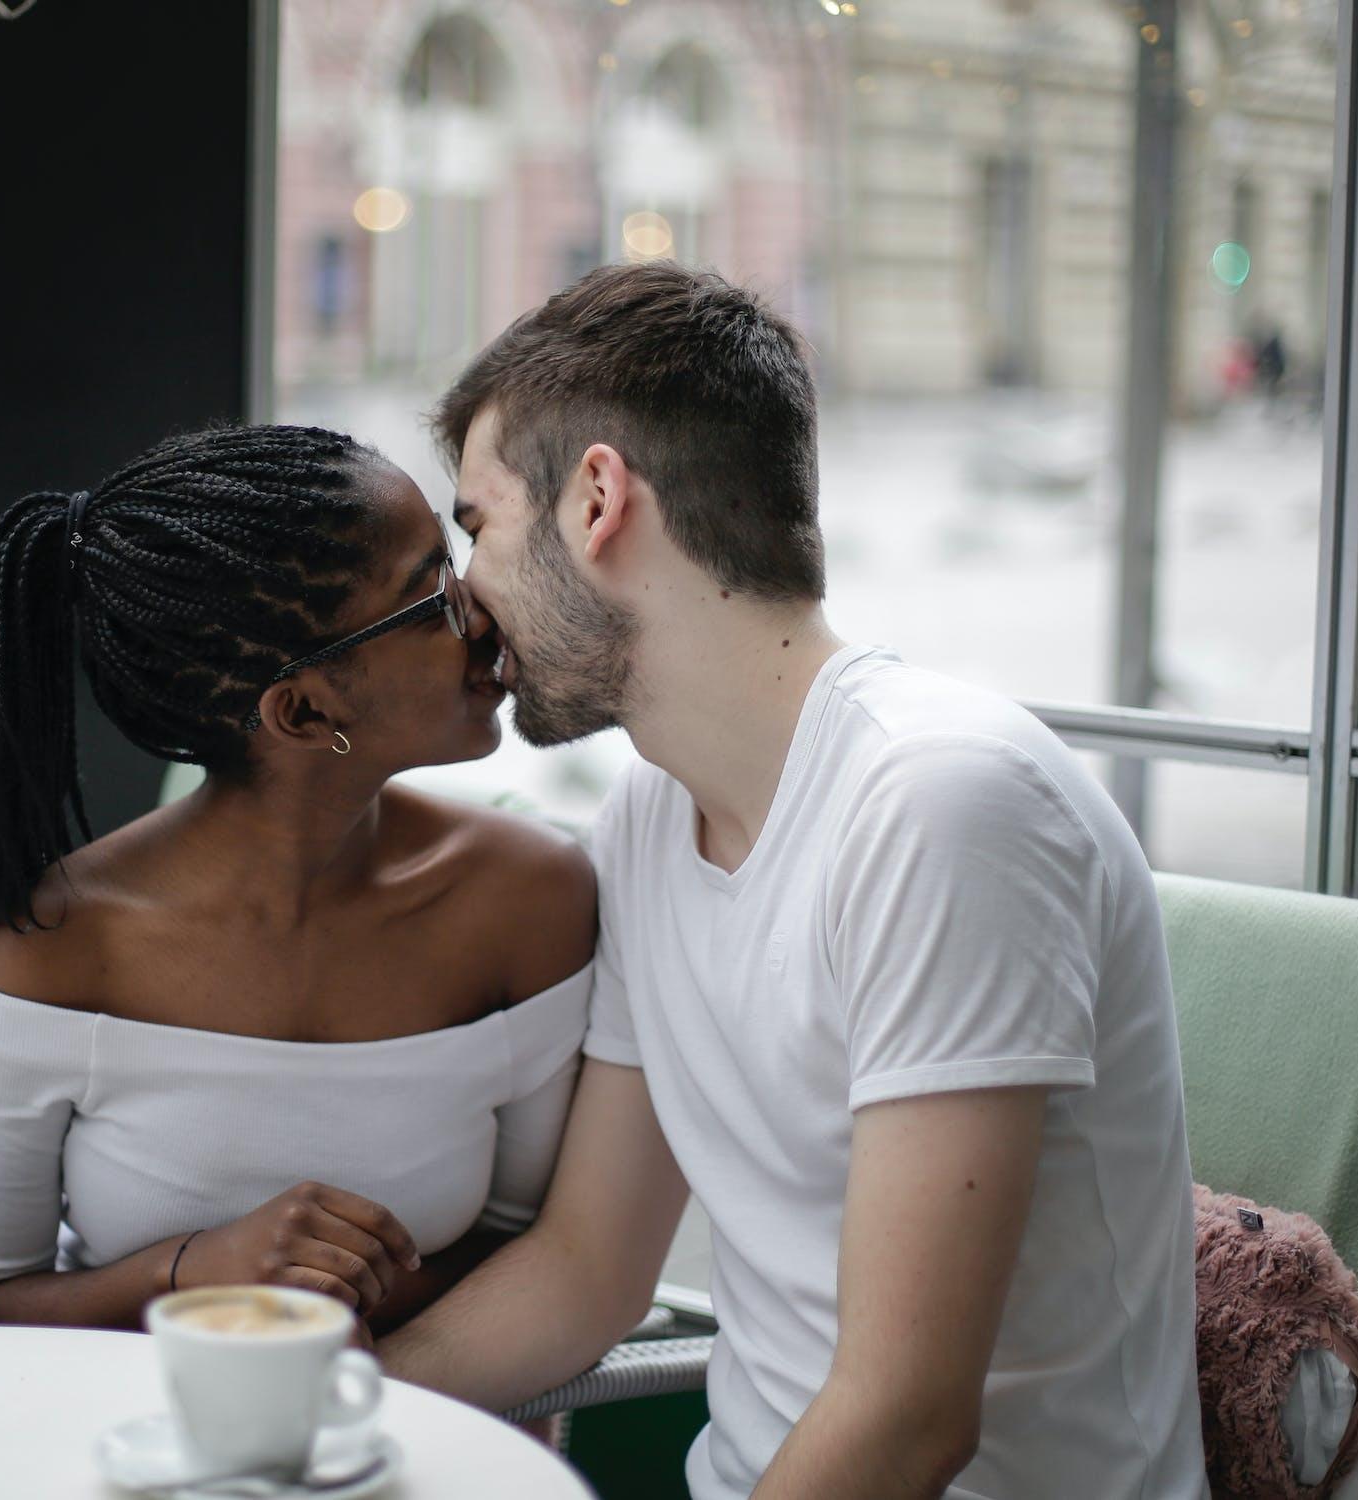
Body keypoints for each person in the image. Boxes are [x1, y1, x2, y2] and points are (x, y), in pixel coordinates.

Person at [377, 263, 1207, 1500]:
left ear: (596, 499)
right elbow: (587, 1271)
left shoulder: (937, 807)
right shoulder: (649, 823)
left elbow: (908, 1419)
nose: (463, 596)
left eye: (477, 527)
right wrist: (316, 1406)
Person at [0, 424, 594, 1339]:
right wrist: (196, 1272)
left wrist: (328, 1316)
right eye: (430, 594)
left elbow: (531, 1247)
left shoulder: (530, 903)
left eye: (455, 558)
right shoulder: (48, 956)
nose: (481, 609)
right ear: (306, 710)